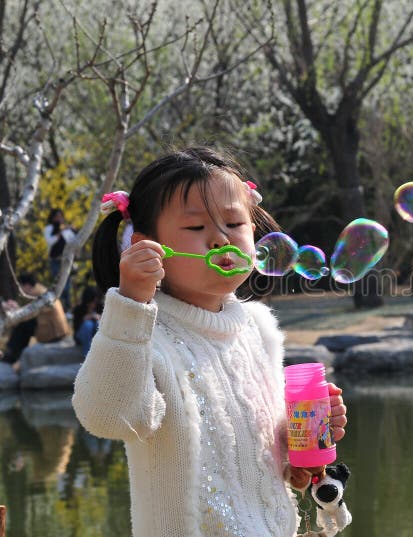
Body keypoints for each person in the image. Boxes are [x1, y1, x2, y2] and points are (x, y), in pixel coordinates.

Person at [72, 147, 348, 537]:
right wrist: (132, 300)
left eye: (234, 223)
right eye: (196, 229)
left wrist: (299, 450)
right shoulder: (142, 331)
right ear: (147, 245)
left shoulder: (259, 328)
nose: (220, 238)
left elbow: (260, 459)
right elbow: (108, 415)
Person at [1, 272, 70, 368]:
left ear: (27, 285)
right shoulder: (41, 291)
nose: (19, 290)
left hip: (53, 334)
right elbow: (31, 312)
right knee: (23, 325)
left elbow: (27, 315)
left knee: (22, 326)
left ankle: (12, 354)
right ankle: (12, 353)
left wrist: (14, 310)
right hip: (57, 331)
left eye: (20, 286)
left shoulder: (37, 294)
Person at [44, 208, 77, 310]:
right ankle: (59, 306)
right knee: (58, 285)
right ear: (52, 218)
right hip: (55, 261)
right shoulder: (49, 228)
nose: (59, 219)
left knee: (67, 285)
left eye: (60, 216)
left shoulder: (65, 229)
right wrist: (59, 232)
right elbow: (50, 241)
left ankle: (67, 308)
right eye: (56, 217)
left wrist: (71, 229)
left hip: (66, 261)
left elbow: (74, 242)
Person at [71, 285, 103, 357]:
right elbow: (75, 328)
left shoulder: (100, 307)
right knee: (88, 324)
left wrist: (99, 318)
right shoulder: (79, 309)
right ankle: (87, 354)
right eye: (91, 301)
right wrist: (83, 319)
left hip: (95, 336)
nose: (93, 304)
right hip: (81, 336)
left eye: (95, 301)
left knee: (98, 323)